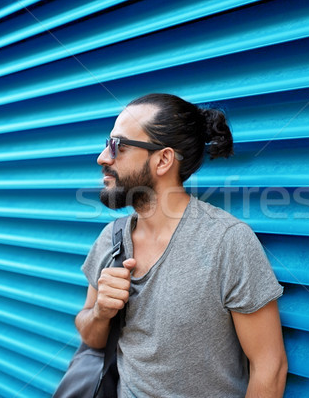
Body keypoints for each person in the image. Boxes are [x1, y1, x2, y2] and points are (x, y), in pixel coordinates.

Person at [74, 93, 287, 397]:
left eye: (117, 146)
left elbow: (270, 366)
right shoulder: (112, 238)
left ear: (163, 160)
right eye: (106, 143)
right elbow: (90, 336)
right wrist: (101, 312)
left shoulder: (226, 241)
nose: (103, 157)